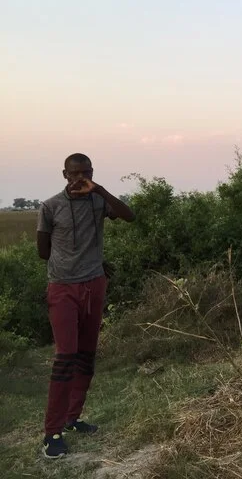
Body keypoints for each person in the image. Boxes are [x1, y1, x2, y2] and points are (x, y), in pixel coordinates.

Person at [36, 153, 135, 458]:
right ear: (64, 174)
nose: (79, 177)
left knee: (86, 356)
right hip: (63, 287)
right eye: (73, 173)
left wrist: (100, 190)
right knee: (66, 357)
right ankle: (51, 433)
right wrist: (74, 262)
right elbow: (43, 251)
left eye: (85, 172)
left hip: (94, 285)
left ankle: (72, 418)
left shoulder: (98, 201)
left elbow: (129, 216)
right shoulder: (51, 206)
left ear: (92, 172)